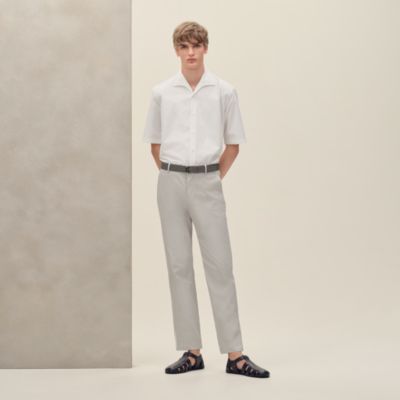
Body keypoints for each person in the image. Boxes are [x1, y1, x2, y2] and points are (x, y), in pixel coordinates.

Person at [142, 21, 270, 379]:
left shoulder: (224, 92)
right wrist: (176, 177)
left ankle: (236, 355)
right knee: (179, 266)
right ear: (176, 50)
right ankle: (191, 351)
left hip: (207, 180)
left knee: (220, 265)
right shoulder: (162, 93)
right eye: (184, 46)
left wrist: (209, 178)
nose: (190, 53)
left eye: (196, 46)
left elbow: (233, 144)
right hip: (170, 181)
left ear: (205, 48)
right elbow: (154, 144)